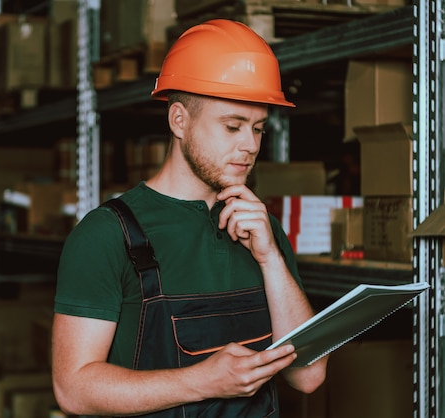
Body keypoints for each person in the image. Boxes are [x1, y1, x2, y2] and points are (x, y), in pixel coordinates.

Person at [51, 19, 328, 417]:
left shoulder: (260, 227)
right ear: (179, 120)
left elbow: (308, 375)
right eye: (232, 126)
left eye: (258, 129)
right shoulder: (106, 235)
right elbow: (73, 389)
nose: (249, 146)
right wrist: (203, 381)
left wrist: (270, 260)